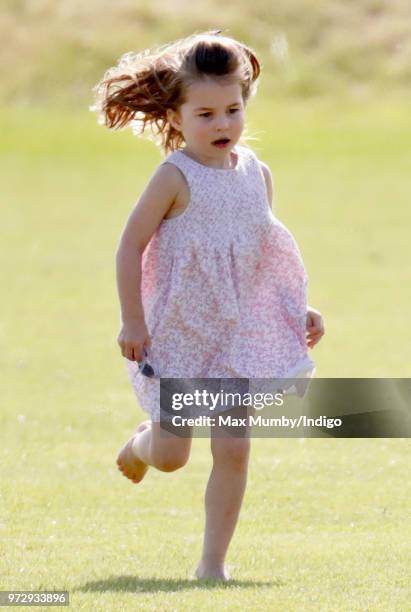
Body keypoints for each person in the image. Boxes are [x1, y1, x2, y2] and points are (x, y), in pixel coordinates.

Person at [90, 29, 325, 581]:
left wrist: (301, 311)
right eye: (205, 114)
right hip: (178, 331)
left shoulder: (256, 175)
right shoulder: (173, 177)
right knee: (172, 456)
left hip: (237, 335)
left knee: (235, 448)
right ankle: (142, 444)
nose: (222, 125)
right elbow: (130, 245)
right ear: (175, 115)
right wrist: (132, 318)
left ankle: (211, 566)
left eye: (232, 110)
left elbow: (265, 256)